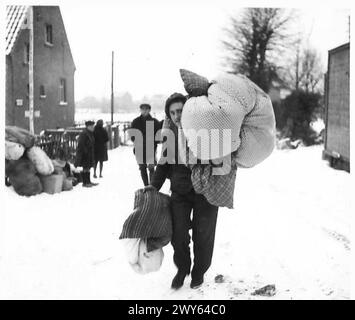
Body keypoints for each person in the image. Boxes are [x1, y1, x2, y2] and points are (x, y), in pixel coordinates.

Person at [145, 93, 219, 290]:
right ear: (169, 115)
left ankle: (199, 272)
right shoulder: (171, 134)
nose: (177, 115)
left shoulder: (203, 129)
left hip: (205, 191)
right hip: (180, 192)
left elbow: (220, 155)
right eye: (173, 112)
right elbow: (163, 163)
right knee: (178, 235)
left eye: (180, 111)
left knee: (203, 235)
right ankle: (182, 268)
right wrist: (153, 187)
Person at [130, 104, 161, 186]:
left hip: (151, 148)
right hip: (139, 148)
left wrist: (154, 141)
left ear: (149, 110)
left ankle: (151, 186)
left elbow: (159, 135)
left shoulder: (154, 122)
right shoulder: (136, 121)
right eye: (143, 109)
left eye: (146, 109)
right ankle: (146, 185)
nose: (144, 111)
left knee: (151, 168)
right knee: (142, 168)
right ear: (140, 110)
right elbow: (132, 136)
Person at [75, 120, 98, 188]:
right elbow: (81, 144)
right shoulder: (84, 133)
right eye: (91, 126)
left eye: (93, 126)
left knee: (88, 167)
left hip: (89, 153)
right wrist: (85, 151)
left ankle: (88, 181)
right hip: (85, 154)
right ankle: (85, 182)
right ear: (88, 127)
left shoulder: (90, 133)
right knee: (85, 167)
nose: (93, 127)